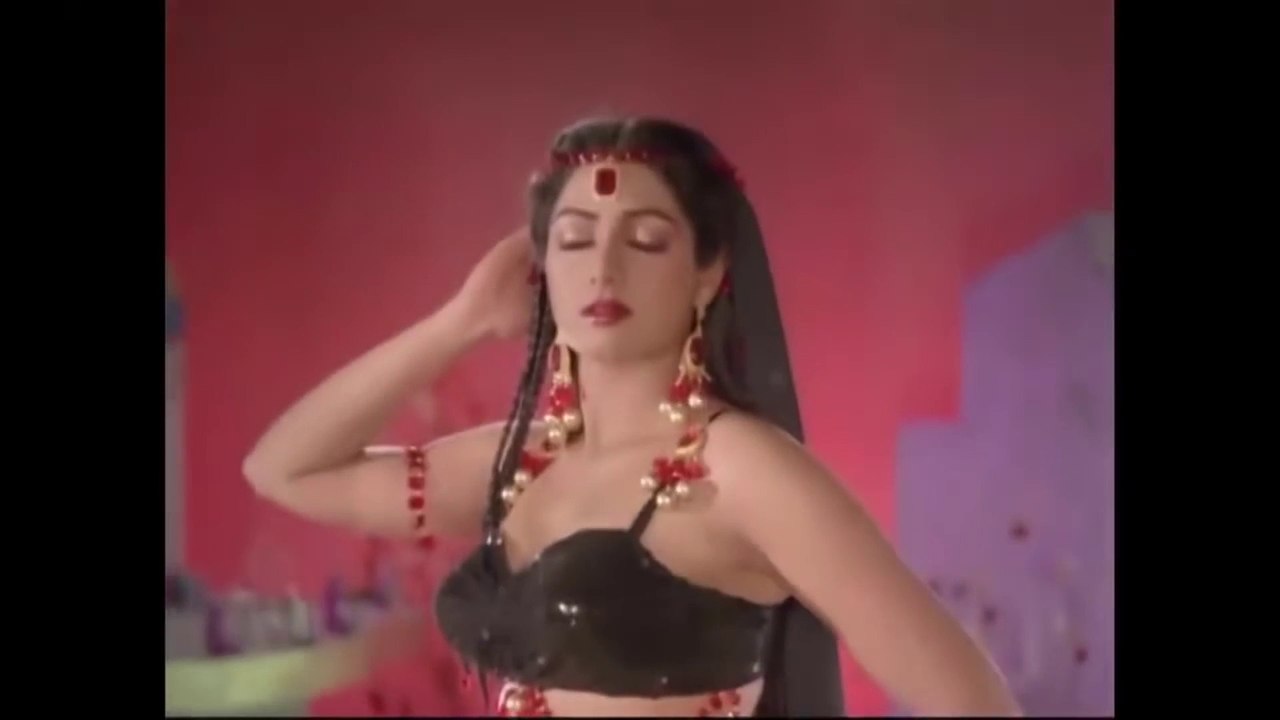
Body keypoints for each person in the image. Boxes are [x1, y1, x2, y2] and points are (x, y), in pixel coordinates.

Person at [243, 117, 1020, 717]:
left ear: (708, 273)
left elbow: (971, 699)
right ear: (544, 267)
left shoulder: (739, 469)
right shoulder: (520, 464)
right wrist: (460, 323)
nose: (603, 269)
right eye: (575, 240)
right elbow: (285, 470)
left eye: (646, 241)